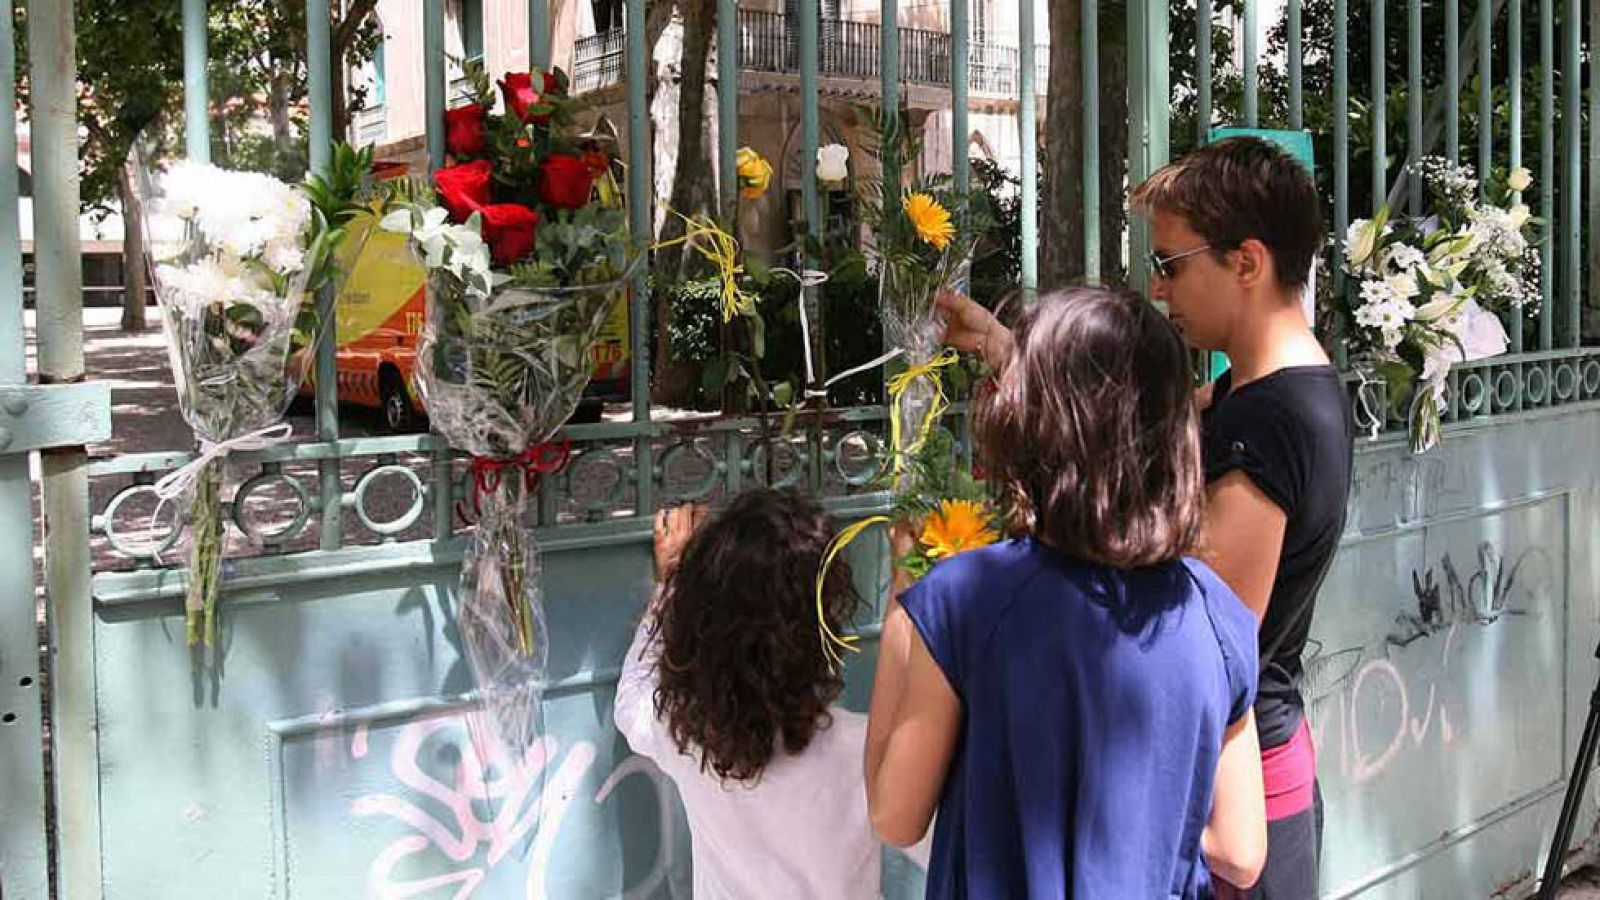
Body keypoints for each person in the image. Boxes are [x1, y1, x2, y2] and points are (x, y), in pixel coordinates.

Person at [938, 136, 1355, 897]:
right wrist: (1012, 352)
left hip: (1229, 800)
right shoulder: (1270, 392)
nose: (1160, 292)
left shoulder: (1270, 427)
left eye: (1170, 265)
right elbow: (1120, 427)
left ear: (1247, 262)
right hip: (1244, 770)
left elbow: (1206, 641)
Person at [866, 287, 1267, 898]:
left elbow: (894, 816)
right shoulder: (1217, 615)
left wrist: (903, 611)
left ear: (1024, 426)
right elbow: (1241, 851)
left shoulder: (967, 601)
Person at [613, 490, 881, 899]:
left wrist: (670, 582)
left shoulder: (690, 740)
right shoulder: (864, 750)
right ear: (823, 624)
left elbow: (633, 702)